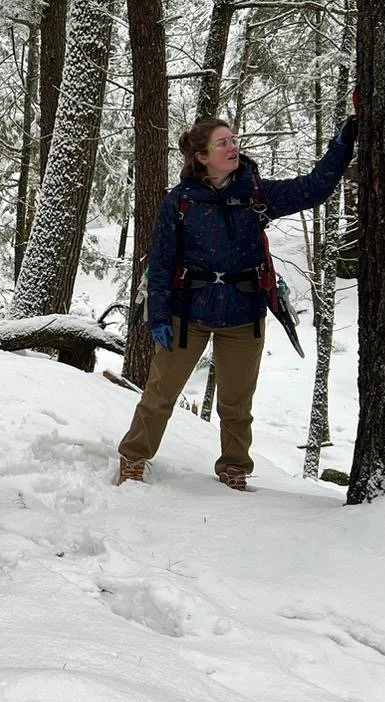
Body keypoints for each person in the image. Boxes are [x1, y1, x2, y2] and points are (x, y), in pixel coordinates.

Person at [116, 114, 357, 488]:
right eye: (223, 143)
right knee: (160, 394)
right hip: (187, 314)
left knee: (236, 404)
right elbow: (161, 263)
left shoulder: (256, 194)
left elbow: (313, 189)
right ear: (202, 157)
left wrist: (341, 147)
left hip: (243, 312)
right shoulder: (179, 202)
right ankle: (134, 457)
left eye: (233, 140)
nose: (233, 147)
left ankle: (234, 468)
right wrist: (159, 316)